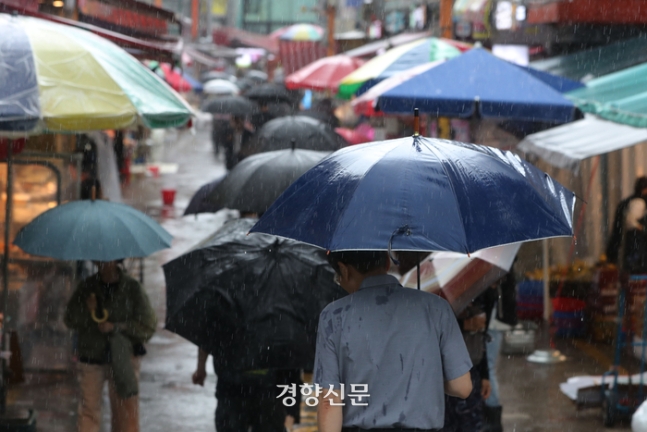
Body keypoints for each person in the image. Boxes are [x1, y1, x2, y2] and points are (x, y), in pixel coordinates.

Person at [316, 250, 473, 431]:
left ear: (344, 270)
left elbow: (329, 401)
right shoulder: (436, 307)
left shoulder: (333, 316)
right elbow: (462, 386)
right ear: (387, 263)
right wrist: (419, 377)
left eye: (338, 276)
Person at [64, 261, 157, 432]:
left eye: (109, 259)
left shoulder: (132, 288)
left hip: (123, 359)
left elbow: (148, 326)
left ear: (117, 261)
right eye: (99, 260)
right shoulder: (87, 287)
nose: (104, 263)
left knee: (126, 414)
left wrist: (117, 327)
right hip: (91, 357)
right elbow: (70, 319)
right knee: (88, 411)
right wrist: (87, 309)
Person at [483, 272, 517, 432]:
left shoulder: (498, 266)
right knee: (489, 367)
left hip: (495, 321)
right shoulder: (502, 260)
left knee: (489, 367)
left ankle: (492, 416)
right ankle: (492, 417)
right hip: (496, 319)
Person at [606, 176, 647, 268]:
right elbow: (630, 221)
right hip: (632, 246)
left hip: (622, 244)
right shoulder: (639, 202)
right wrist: (641, 228)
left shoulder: (627, 202)